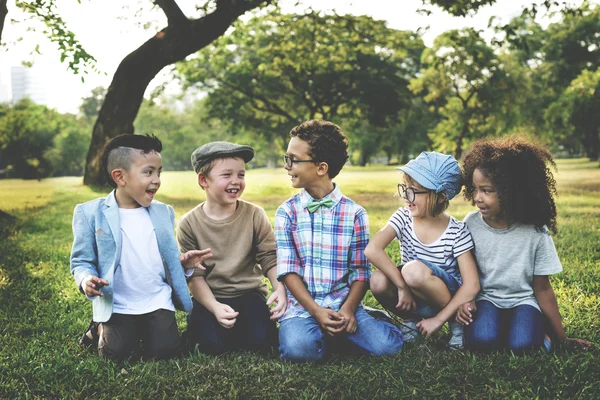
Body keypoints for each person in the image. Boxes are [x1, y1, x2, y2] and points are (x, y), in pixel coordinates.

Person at [70, 134, 211, 360]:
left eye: (159, 172)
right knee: (116, 353)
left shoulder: (164, 212)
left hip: (156, 298)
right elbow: (81, 261)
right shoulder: (90, 213)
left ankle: (145, 329)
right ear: (120, 176)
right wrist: (86, 279)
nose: (156, 180)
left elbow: (164, 259)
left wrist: (182, 263)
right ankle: (98, 327)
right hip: (119, 303)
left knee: (165, 352)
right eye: (148, 172)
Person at [275, 120, 404, 363]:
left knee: (388, 348)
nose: (286, 166)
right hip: (303, 309)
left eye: (293, 159)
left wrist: (348, 309)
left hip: (344, 305)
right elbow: (288, 270)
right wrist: (316, 311)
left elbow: (360, 271)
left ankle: (366, 322)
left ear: (321, 168)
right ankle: (328, 335)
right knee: (299, 351)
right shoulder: (287, 212)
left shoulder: (355, 213)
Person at [456, 135, 568, 353]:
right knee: (482, 341)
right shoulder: (470, 224)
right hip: (487, 299)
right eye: (475, 188)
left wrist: (562, 338)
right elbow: (462, 274)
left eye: (487, 190)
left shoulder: (535, 231)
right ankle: (509, 328)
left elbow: (542, 288)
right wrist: (465, 303)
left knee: (523, 346)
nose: (477, 197)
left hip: (523, 301)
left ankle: (539, 331)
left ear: (513, 192)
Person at [177, 141, 286, 355]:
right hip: (210, 295)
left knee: (261, 343)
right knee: (211, 346)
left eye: (241, 175)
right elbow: (195, 276)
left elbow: (269, 257)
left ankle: (242, 328)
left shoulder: (255, 214)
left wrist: (279, 288)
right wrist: (215, 307)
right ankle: (209, 326)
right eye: (227, 175)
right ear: (203, 180)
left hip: (249, 294)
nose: (236, 181)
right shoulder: (188, 223)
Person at [365, 151, 480, 349]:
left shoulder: (457, 231)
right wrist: (401, 287)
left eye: (414, 191)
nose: (406, 197)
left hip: (447, 298)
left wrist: (440, 319)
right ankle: (410, 322)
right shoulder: (403, 217)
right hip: (412, 292)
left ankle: (456, 326)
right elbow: (372, 249)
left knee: (413, 270)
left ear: (440, 196)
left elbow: (471, 285)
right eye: (405, 189)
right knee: (377, 280)